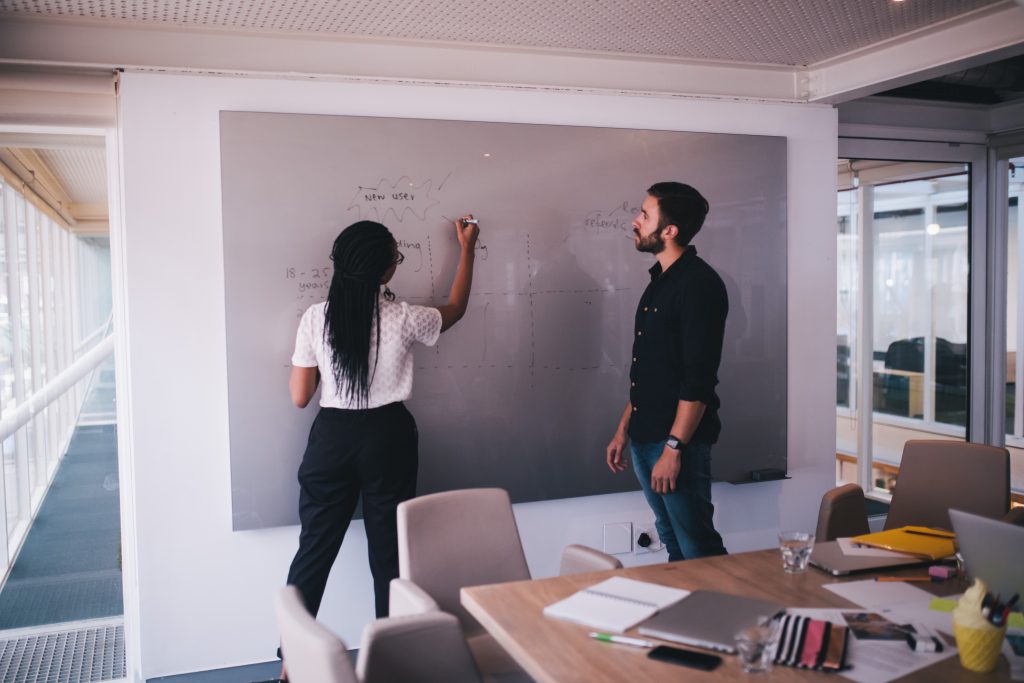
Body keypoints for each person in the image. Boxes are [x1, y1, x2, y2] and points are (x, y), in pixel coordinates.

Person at [284, 216, 478, 629]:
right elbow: (456, 309)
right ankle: (391, 658)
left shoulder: (316, 318)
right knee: (390, 553)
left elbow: (300, 397)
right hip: (388, 437)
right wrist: (467, 248)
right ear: (384, 270)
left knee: (314, 549)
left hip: (332, 438)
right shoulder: (404, 318)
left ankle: (291, 660)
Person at [605, 182, 728, 561]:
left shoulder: (699, 286)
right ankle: (684, 617)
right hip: (645, 437)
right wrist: (623, 429)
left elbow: (698, 379)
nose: (635, 221)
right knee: (672, 540)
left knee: (698, 548)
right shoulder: (660, 282)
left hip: (674, 444)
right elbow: (651, 370)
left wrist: (674, 449)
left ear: (669, 230)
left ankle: (721, 618)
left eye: (645, 214)